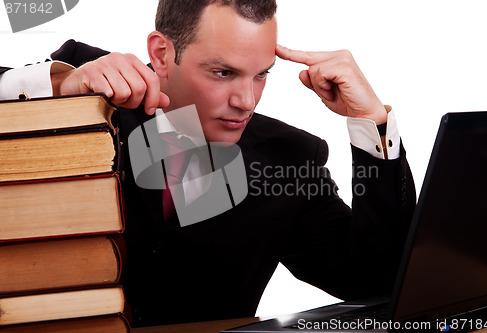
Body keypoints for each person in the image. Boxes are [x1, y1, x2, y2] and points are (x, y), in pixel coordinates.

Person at [0, 0, 416, 328]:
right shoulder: (78, 80)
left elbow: (377, 283)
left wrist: (372, 124)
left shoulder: (288, 157)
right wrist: (55, 93)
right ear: (162, 53)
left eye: (260, 75)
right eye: (222, 72)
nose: (246, 101)